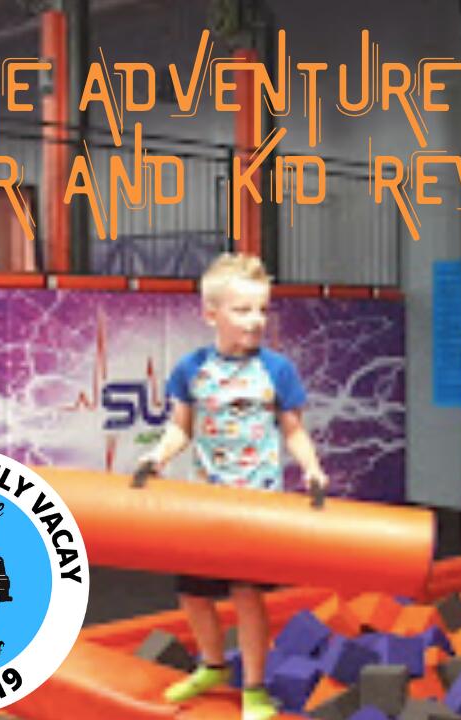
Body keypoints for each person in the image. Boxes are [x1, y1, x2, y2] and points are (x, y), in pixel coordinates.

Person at [136, 253, 329, 720]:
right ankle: (213, 665)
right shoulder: (192, 369)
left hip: (256, 506)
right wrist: (157, 456)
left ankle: (256, 688)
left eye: (262, 309)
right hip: (206, 503)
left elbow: (293, 431)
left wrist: (312, 468)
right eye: (242, 310)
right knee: (192, 593)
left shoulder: (277, 370)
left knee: (246, 595)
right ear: (211, 314)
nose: (256, 320)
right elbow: (181, 428)